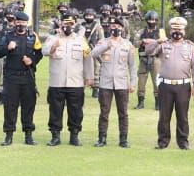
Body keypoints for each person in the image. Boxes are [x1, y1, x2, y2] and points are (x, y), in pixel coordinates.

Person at [144, 16, 194, 150]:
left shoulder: (190, 47)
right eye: (175, 29)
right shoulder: (164, 45)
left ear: (184, 31)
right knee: (164, 115)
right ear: (170, 31)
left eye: (180, 29)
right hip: (166, 85)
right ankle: (163, 141)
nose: (177, 32)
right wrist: (158, 41)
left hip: (183, 85)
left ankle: (183, 142)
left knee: (182, 116)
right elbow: (148, 51)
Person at [43, 13, 94, 146]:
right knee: (55, 110)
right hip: (57, 81)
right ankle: (55, 136)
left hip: (75, 82)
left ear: (75, 25)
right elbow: (44, 51)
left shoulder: (80, 40)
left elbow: (88, 58)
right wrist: (53, 46)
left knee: (76, 110)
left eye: (71, 24)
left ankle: (74, 135)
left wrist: (89, 77)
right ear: (61, 24)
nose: (68, 26)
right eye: (65, 24)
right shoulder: (52, 38)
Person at [0, 11, 43, 145]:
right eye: (18, 22)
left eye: (23, 22)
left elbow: (39, 54)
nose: (20, 25)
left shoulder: (33, 36)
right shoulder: (7, 36)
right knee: (10, 107)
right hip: (11, 77)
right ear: (14, 22)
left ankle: (28, 136)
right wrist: (7, 48)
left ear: (27, 23)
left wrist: (32, 61)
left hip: (27, 77)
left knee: (29, 106)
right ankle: (8, 135)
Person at [90, 18, 136, 147]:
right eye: (113, 26)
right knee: (104, 112)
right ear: (110, 28)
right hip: (105, 83)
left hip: (121, 83)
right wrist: (106, 46)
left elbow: (132, 66)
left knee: (123, 112)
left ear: (122, 29)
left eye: (118, 26)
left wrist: (133, 83)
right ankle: (102, 139)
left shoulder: (127, 44)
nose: (116, 28)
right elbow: (92, 54)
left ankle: (123, 140)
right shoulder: (103, 41)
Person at [132, 10, 164, 109]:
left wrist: (153, 42)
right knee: (141, 81)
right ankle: (140, 102)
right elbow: (135, 43)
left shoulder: (161, 31)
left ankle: (158, 103)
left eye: (154, 20)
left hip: (156, 59)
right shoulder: (141, 31)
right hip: (143, 59)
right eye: (150, 20)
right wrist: (142, 41)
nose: (152, 22)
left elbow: (164, 43)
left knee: (157, 81)